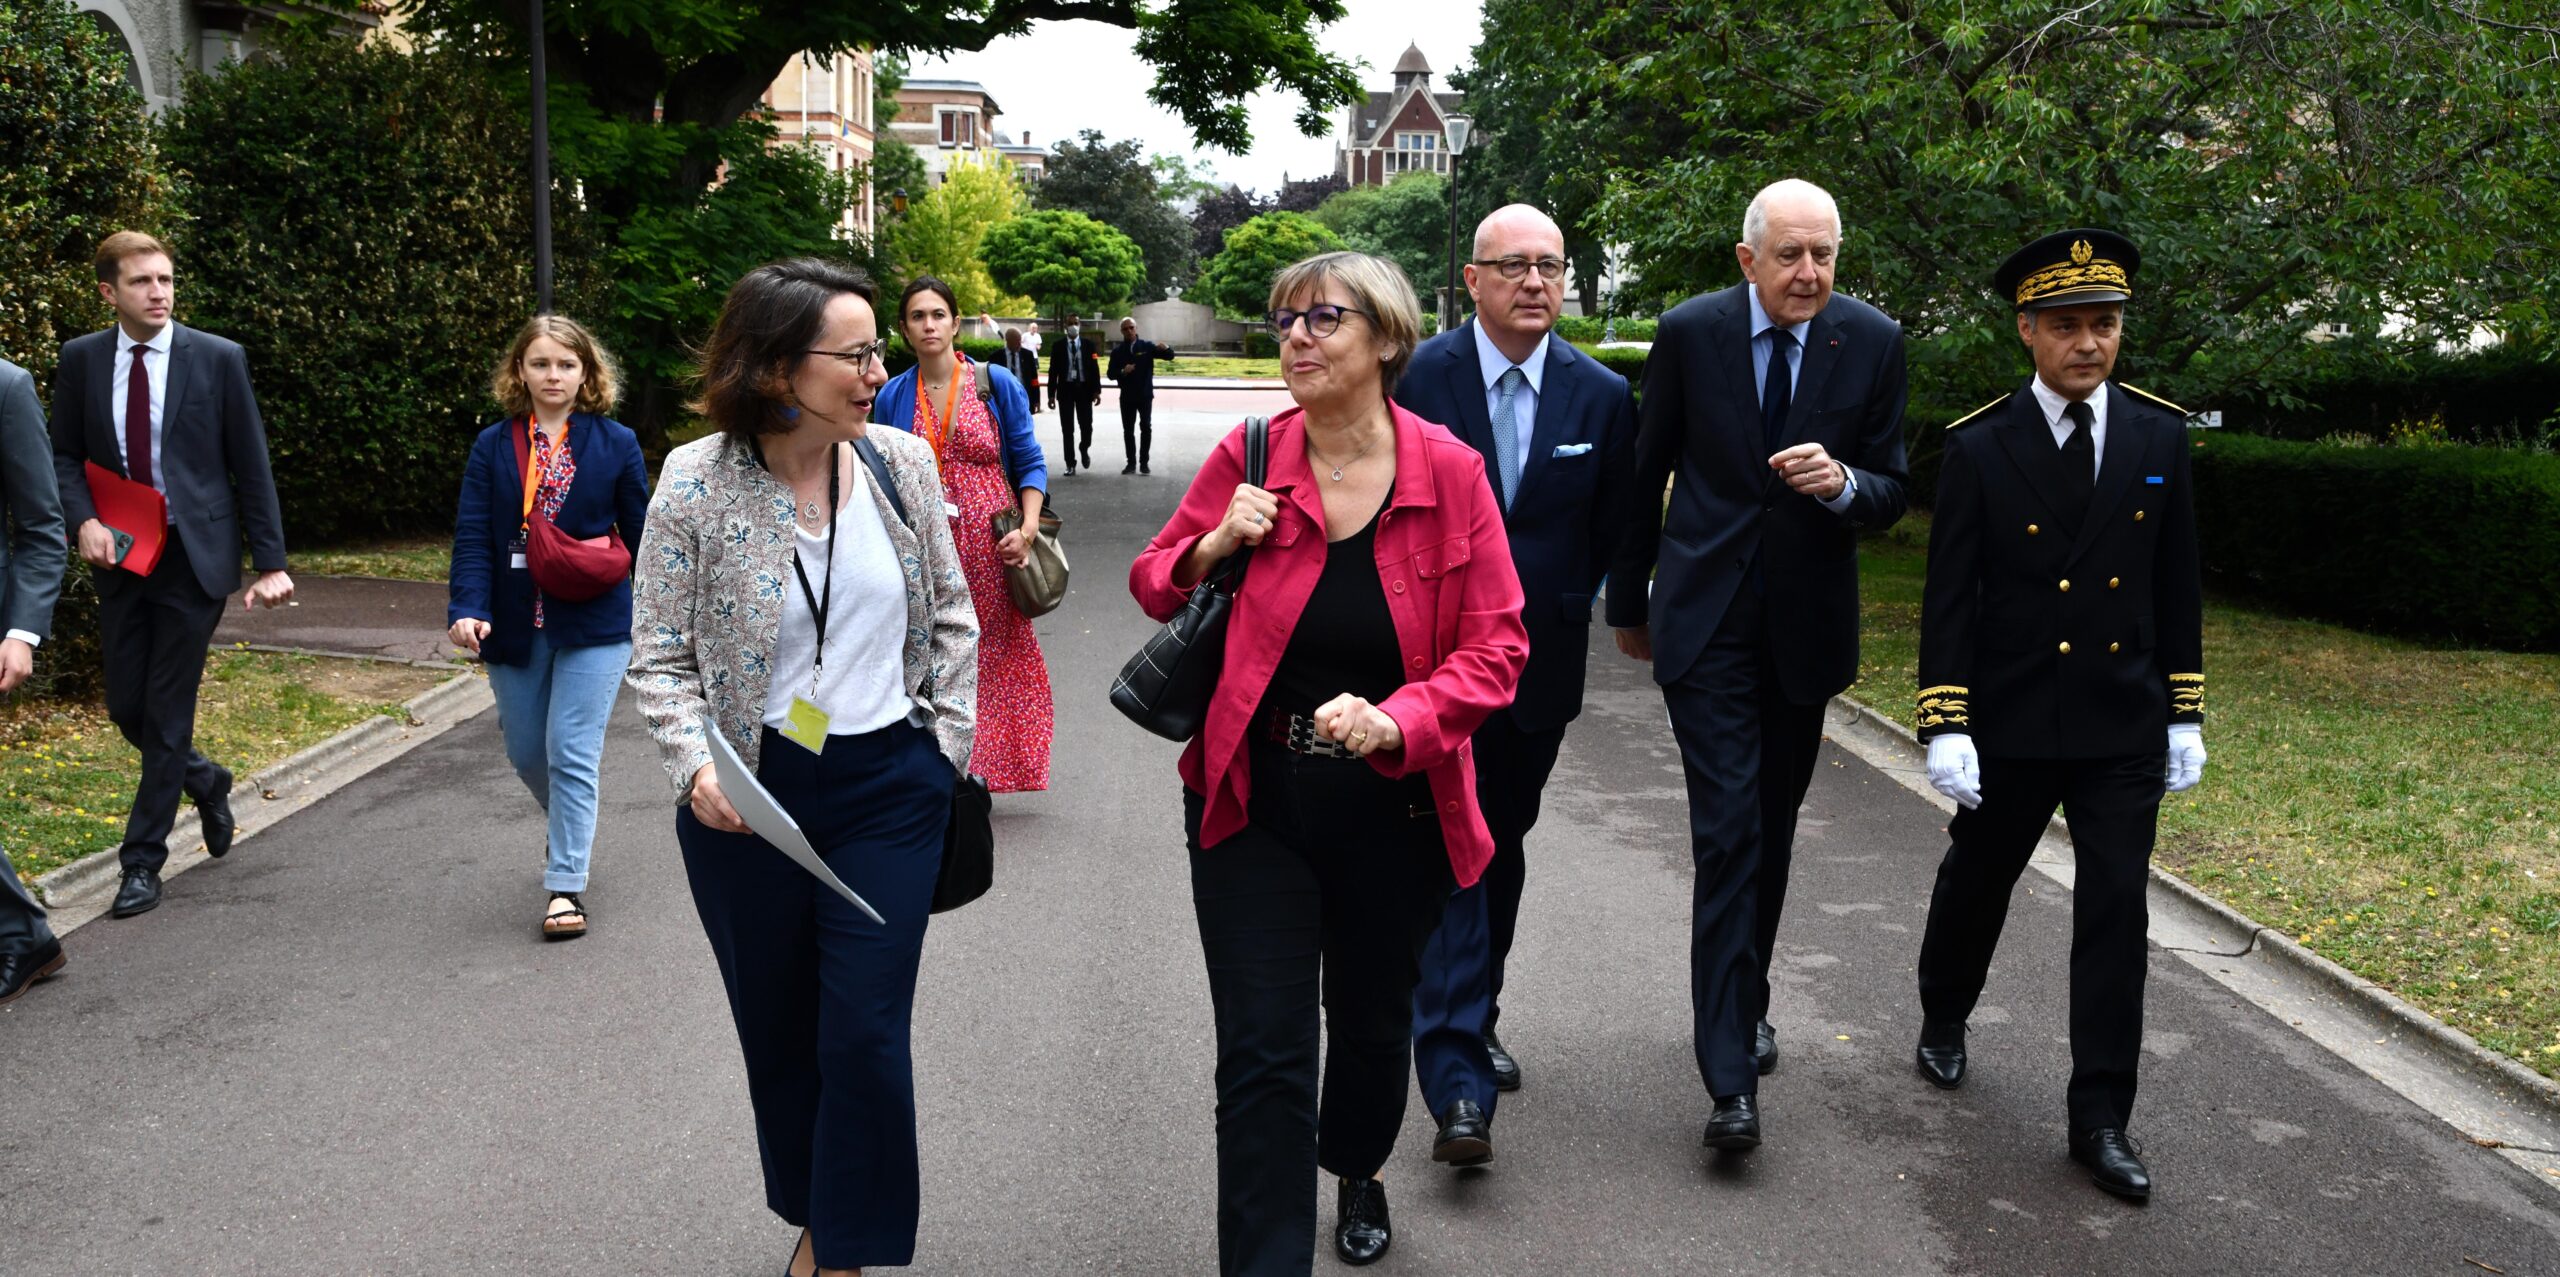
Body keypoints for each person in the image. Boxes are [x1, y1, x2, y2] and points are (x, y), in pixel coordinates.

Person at [1130, 250, 1527, 1273]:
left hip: (1393, 809)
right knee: (1261, 1058)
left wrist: (1400, 718)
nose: (1295, 338)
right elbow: (1152, 581)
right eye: (1285, 321)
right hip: (1251, 795)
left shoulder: (1450, 472)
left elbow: (1497, 649)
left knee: (1365, 1025)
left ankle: (1357, 1162)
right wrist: (1215, 541)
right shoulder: (1252, 448)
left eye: (1322, 318)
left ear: (1384, 338)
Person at [628, 258, 977, 1277]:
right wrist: (695, 765)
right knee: (782, 1031)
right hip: (750, 797)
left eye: (879, 349)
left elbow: (951, 611)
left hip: (887, 789)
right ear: (780, 365)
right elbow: (657, 651)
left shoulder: (900, 464)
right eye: (857, 352)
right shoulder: (696, 478)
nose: (879, 368)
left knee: (863, 1030)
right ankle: (821, 1205)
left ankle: (839, 1250)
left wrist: (941, 750)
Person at [1607, 178, 1910, 1152]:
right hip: (1704, 625)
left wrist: (1847, 483)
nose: (1810, 273)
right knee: (1729, 830)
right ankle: (1728, 1072)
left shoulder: (1871, 340)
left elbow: (1894, 486)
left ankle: (1748, 992)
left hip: (1805, 632)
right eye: (1790, 254)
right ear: (1748, 259)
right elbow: (1644, 468)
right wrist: (1629, 599)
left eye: (1824, 254)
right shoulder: (1691, 333)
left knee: (1769, 830)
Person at [1910, 228, 2205, 1204]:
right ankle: (1944, 1009)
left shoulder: (2159, 435)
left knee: (2115, 913)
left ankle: (2100, 1116)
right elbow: (1950, 595)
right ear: (2027, 330)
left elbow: (2176, 582)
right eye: (2069, 325)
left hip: (2120, 720)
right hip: (2013, 719)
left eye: (2105, 324)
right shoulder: (1980, 444)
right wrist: (1945, 719)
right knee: (1978, 878)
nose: (2090, 343)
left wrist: (2182, 707)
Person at [1388, 204, 1637, 1167]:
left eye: (1552, 266)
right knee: (1449, 842)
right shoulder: (1417, 377)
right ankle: (1455, 1074)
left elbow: (1615, 525)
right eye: (1516, 266)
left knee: (1502, 842)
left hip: (1537, 667)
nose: (1536, 282)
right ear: (1473, 277)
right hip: (1425, 665)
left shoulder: (1602, 394)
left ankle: (1473, 1007)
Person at [50, 231, 293, 922]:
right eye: (141, 282)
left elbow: (251, 461)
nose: (158, 292)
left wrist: (271, 561)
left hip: (195, 555)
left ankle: (142, 861)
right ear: (108, 292)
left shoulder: (216, 358)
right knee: (127, 706)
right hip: (122, 554)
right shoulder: (82, 360)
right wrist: (83, 521)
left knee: (165, 708)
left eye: (165, 280)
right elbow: (65, 455)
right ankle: (207, 780)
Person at [446, 315, 650, 940]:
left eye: (566, 364)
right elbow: (475, 535)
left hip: (596, 614)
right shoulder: (493, 444)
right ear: (520, 372)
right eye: (540, 363)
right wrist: (466, 608)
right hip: (512, 618)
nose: (553, 375)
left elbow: (644, 534)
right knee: (526, 749)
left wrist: (664, 612)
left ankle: (565, 886)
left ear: (586, 373)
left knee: (571, 749)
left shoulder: (616, 442)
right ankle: (571, 825)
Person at [876, 276, 1054, 793]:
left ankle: (983, 772)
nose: (928, 325)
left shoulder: (994, 383)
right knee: (927, 653)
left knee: (992, 655)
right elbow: (879, 471)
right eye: (917, 317)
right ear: (905, 330)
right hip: (922, 547)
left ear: (956, 322)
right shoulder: (892, 394)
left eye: (937, 314)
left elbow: (1029, 463)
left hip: (992, 549)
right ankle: (938, 763)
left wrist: (1026, 529)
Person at [0, 355, 68, 1007]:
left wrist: (22, 631)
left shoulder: (6, 387)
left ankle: (23, 934)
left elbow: (43, 528)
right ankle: (23, 932)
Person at [1108, 315, 1177, 474]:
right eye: (1125, 329)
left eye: (1131, 327)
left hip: (1144, 395)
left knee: (1146, 427)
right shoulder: (1118, 352)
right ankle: (1131, 463)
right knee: (1128, 430)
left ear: (1136, 328)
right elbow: (1111, 374)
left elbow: (1170, 356)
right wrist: (1122, 371)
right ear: (1121, 331)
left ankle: (1144, 463)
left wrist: (1166, 348)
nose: (1129, 331)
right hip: (1127, 397)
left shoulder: (1146, 346)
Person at [1048, 313, 1102, 475]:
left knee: (1086, 426)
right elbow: (1052, 372)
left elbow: (1094, 369)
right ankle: (1070, 463)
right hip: (1066, 391)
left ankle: (1084, 448)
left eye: (1076, 323)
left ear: (1080, 325)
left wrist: (1096, 391)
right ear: (1066, 326)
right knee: (1067, 429)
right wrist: (1051, 394)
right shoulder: (1058, 346)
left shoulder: (1088, 345)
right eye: (1070, 323)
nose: (1073, 326)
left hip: (1084, 390)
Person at [999, 327, 1041, 414]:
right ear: (1008, 340)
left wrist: (1036, 399)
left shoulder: (1028, 355)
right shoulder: (996, 357)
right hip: (1004, 398)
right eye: (1016, 341)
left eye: (1020, 341)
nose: (1019, 344)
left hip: (1024, 396)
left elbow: (1034, 379)